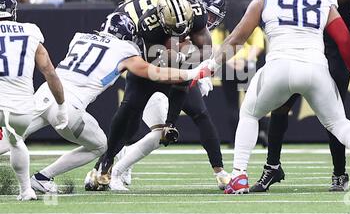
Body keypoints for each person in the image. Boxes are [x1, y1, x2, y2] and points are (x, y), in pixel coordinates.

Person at [196, 0, 350, 194]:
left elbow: (237, 38)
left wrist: (209, 66)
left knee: (250, 114)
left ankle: (239, 175)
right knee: (338, 122)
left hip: (279, 66)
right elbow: (345, 40)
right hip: (316, 69)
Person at [0, 11, 205, 193]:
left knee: (12, 138)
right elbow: (155, 72)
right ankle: (42, 178)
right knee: (100, 146)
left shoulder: (79, 38)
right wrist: (191, 72)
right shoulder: (124, 50)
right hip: (70, 105)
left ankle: (36, 181)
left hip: (46, 93)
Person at [250, 0, 350, 193]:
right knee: (279, 108)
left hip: (335, 53)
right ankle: (272, 167)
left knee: (333, 117)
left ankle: (339, 173)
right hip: (305, 47)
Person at [106, 0, 230, 191]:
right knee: (129, 116)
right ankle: (104, 166)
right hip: (149, 70)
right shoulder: (149, 25)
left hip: (178, 71)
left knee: (200, 115)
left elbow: (200, 57)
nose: (208, 20)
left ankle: (220, 172)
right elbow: (161, 65)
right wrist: (185, 61)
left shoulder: (196, 15)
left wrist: (198, 71)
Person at [0, 0, 68, 200]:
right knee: (16, 141)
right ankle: (26, 190)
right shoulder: (30, 31)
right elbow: (50, 73)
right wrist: (62, 106)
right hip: (22, 109)